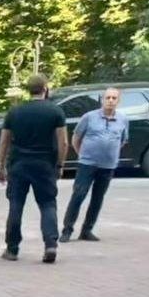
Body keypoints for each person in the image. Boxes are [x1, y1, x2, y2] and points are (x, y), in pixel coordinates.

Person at [0, 74, 68, 263]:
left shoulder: (15, 112)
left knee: (16, 205)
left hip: (19, 164)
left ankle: (12, 249)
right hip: (44, 164)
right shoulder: (55, 111)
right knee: (47, 204)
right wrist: (60, 165)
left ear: (28, 90)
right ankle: (50, 244)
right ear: (45, 88)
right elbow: (63, 142)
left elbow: (4, 141)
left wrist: (1, 166)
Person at [61, 87, 127, 243]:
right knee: (79, 195)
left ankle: (87, 230)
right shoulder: (89, 117)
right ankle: (67, 230)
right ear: (102, 99)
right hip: (87, 164)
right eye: (108, 97)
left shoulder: (123, 119)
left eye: (114, 98)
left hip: (108, 166)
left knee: (97, 198)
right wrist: (82, 154)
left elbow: (122, 140)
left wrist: (110, 152)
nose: (110, 100)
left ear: (118, 101)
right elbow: (76, 138)